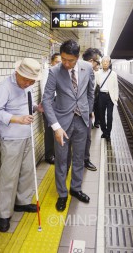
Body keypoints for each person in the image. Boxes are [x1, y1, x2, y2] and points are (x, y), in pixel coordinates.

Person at [0, 58, 43, 232]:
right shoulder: (5, 87)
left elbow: (25, 105)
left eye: (32, 80)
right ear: (18, 73)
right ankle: (4, 214)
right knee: (9, 176)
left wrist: (36, 108)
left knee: (28, 171)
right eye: (26, 79)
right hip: (11, 138)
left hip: (27, 135)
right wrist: (17, 119)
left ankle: (22, 202)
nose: (29, 83)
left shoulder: (25, 85)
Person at [42, 39, 95, 212]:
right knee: (62, 160)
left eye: (70, 60)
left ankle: (76, 189)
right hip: (62, 123)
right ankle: (62, 194)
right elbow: (47, 100)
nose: (65, 63)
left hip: (82, 121)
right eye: (63, 59)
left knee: (80, 157)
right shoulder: (54, 71)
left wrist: (87, 111)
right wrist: (55, 127)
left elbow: (90, 92)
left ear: (77, 57)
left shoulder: (87, 68)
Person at [81, 47, 102, 171]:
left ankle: (85, 159)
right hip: (75, 113)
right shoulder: (77, 73)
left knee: (87, 137)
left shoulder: (92, 73)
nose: (98, 65)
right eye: (97, 62)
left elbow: (90, 94)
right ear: (90, 61)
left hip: (87, 112)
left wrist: (90, 110)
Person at [41, 53, 61, 164]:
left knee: (57, 130)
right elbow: (45, 91)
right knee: (49, 132)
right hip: (49, 106)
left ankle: (55, 153)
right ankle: (49, 155)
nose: (59, 64)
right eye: (57, 62)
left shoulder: (60, 73)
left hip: (58, 106)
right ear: (51, 62)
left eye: (60, 62)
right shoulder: (47, 72)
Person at [95, 56, 119, 141]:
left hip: (110, 97)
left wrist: (115, 98)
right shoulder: (97, 73)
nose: (105, 63)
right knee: (101, 115)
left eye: (107, 62)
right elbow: (95, 86)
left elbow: (116, 87)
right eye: (103, 61)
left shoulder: (113, 74)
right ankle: (104, 132)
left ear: (109, 63)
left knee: (109, 116)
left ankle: (108, 133)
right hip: (101, 96)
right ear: (101, 63)